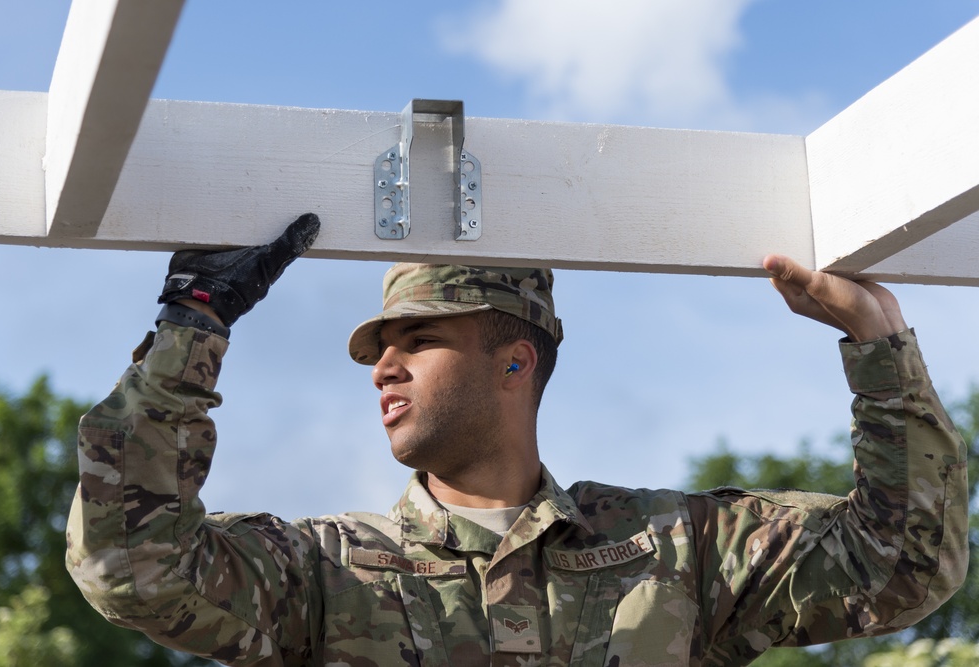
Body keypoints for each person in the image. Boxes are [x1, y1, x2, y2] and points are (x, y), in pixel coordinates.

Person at [66, 213, 968, 667]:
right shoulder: (324, 571)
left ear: (514, 361)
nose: (383, 367)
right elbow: (127, 561)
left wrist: (879, 350)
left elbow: (901, 564)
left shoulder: (677, 550)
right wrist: (192, 325)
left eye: (417, 340)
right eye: (379, 350)